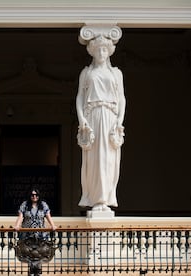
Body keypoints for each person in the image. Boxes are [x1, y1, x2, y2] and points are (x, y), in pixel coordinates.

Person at [76, 35, 126, 212]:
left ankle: (105, 199)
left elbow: (121, 98)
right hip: (93, 117)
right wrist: (82, 121)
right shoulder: (87, 72)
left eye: (104, 49)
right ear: (93, 52)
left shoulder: (116, 73)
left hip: (110, 117)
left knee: (108, 159)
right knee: (94, 159)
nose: (101, 53)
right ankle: (96, 199)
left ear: (109, 52)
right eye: (98, 50)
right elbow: (80, 97)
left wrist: (119, 121)